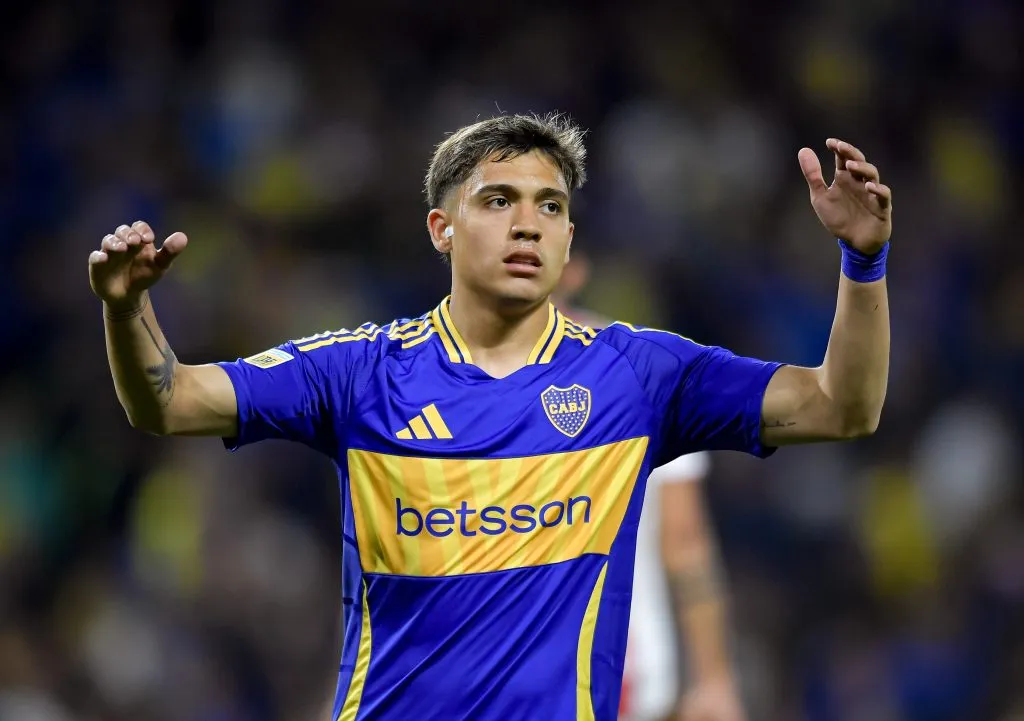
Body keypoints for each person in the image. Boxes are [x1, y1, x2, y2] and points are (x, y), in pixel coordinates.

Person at [87, 112, 892, 721]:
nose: (526, 224)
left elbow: (840, 407)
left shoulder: (636, 375)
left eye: (549, 207)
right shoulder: (363, 371)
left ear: (569, 236)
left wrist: (863, 262)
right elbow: (169, 400)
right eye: (498, 200)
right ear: (442, 229)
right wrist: (128, 314)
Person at [552, 264, 744, 721]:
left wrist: (713, 679)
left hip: (608, 672)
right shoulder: (648, 368)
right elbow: (686, 542)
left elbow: (684, 540)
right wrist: (713, 679)